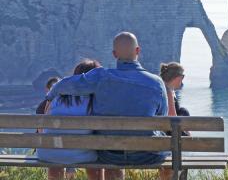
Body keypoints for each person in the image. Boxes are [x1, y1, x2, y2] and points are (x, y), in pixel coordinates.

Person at [46, 32, 172, 180]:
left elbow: (64, 85)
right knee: (167, 152)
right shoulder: (156, 83)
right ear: (138, 51)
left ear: (114, 54)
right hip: (146, 155)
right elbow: (162, 117)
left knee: (109, 152)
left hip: (110, 154)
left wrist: (49, 97)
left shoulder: (101, 77)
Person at [37, 59, 103, 180]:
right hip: (81, 155)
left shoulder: (58, 95)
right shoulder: (94, 100)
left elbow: (42, 127)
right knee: (97, 154)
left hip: (48, 154)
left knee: (56, 152)